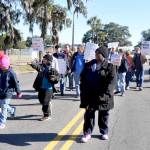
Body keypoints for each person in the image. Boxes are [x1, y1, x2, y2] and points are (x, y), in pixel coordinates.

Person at [80, 46, 117, 142]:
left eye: (98, 53)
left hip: (103, 96)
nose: (96, 55)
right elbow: (82, 77)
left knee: (103, 115)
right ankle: (87, 133)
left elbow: (112, 82)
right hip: (90, 95)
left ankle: (104, 132)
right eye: (95, 53)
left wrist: (106, 94)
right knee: (88, 115)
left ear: (103, 55)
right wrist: (83, 89)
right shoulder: (89, 64)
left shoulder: (110, 67)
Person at [30, 54, 59, 121]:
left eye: (45, 59)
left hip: (49, 89)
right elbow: (37, 66)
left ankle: (46, 115)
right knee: (41, 100)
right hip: (41, 88)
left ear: (48, 61)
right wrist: (32, 63)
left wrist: (54, 79)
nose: (43, 60)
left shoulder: (52, 69)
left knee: (45, 102)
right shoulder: (42, 67)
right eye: (43, 59)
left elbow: (58, 77)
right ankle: (48, 106)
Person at [0, 55, 22, 129]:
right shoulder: (0, 70)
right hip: (1, 91)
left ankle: (2, 122)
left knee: (3, 107)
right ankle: (12, 110)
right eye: (1, 67)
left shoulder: (11, 73)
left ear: (8, 66)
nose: (3, 68)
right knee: (3, 105)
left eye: (4, 67)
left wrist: (18, 92)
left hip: (8, 92)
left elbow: (16, 83)